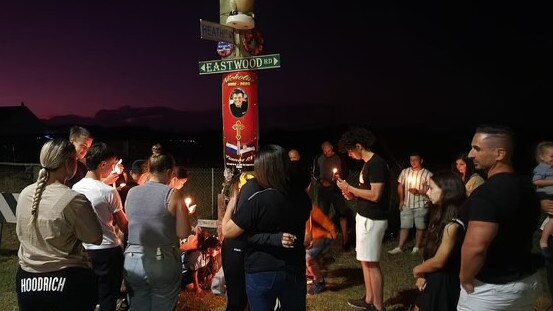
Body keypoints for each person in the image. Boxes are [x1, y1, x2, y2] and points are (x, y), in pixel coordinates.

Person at [457, 125, 540, 310]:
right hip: (527, 281)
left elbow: (476, 247)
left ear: (500, 153)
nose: (471, 155)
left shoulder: (487, 193)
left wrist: (465, 277)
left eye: (477, 149)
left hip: (491, 289)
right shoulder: (528, 188)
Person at [15, 138, 103, 311]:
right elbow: (95, 237)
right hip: (66, 281)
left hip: (27, 281)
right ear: (68, 163)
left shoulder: (25, 193)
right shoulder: (73, 199)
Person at [223, 144, 311, 311]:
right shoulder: (302, 197)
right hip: (294, 268)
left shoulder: (259, 200)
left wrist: (234, 200)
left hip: (262, 270)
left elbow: (228, 231)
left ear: (264, 170)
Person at [123, 144, 192, 311]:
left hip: (133, 258)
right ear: (169, 172)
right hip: (162, 259)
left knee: (137, 305)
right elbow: (183, 232)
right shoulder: (172, 194)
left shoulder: (131, 192)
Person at [336, 127, 390, 311]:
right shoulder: (367, 165)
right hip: (364, 216)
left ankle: (379, 306)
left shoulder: (377, 164)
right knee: (365, 260)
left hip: (374, 219)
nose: (350, 155)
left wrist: (349, 188)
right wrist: (352, 195)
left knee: (372, 263)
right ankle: (369, 300)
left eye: (351, 151)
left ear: (359, 146)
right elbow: (367, 193)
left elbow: (376, 195)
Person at [72, 143, 129, 311]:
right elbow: (124, 226)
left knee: (88, 295)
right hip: (108, 251)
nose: (113, 169)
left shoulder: (75, 188)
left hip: (83, 249)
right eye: (111, 165)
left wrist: (108, 180)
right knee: (108, 297)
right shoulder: (109, 192)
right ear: (102, 164)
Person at [412, 171, 467, 311]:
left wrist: (417, 270)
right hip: (432, 279)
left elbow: (439, 261)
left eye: (431, 188)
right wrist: (423, 275)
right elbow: (430, 254)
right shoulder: (438, 218)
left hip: (443, 284)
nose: (427, 192)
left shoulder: (453, 226)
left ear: (446, 192)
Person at [389, 152, 432, 255]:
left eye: (415, 160)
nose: (413, 162)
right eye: (411, 160)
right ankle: (400, 247)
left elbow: (431, 189)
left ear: (421, 160)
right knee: (404, 225)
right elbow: (400, 186)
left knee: (420, 226)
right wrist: (401, 200)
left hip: (421, 205)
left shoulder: (428, 174)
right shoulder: (405, 172)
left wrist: (419, 192)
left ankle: (416, 247)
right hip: (407, 204)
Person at [312, 141, 351, 249]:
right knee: (323, 215)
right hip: (323, 191)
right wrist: (320, 181)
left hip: (337, 190)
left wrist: (339, 176)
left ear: (332, 148)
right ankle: (322, 243)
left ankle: (345, 241)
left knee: (342, 214)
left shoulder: (339, 157)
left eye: (328, 151)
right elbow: (315, 174)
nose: (326, 153)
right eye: (324, 151)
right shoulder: (318, 158)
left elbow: (346, 172)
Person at [305, 204, 337, 295]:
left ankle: (319, 281)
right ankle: (309, 274)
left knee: (308, 258)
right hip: (306, 239)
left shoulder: (310, 208)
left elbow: (328, 225)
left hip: (322, 237)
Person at [533, 141, 553, 250]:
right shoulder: (542, 168)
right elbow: (536, 182)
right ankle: (543, 240)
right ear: (542, 157)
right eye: (552, 156)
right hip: (546, 195)